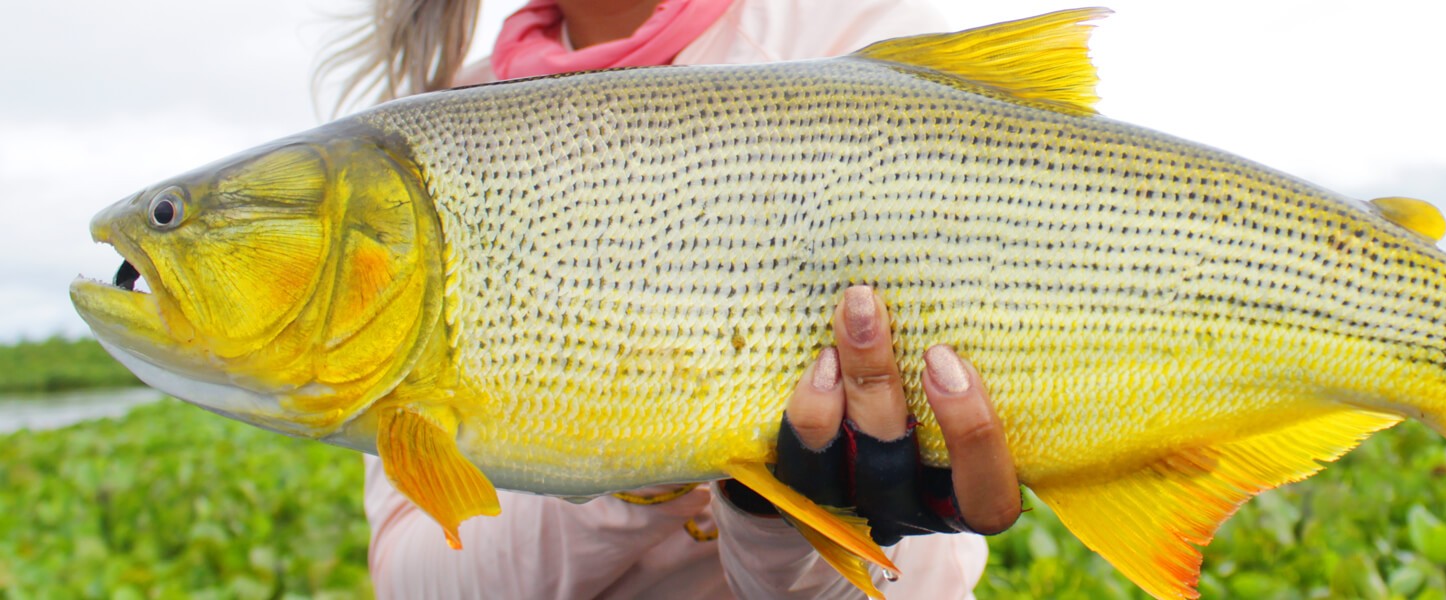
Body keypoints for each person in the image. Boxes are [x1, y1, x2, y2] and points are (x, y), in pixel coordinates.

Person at [320, 2, 1023, 598]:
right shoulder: (427, 142)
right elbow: (414, 576)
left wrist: (778, 524)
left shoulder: (856, 30)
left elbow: (924, 582)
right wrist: (633, 478)